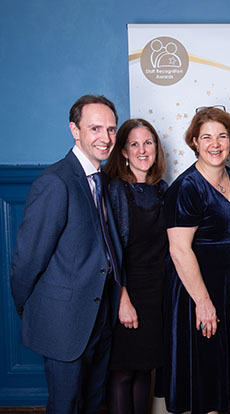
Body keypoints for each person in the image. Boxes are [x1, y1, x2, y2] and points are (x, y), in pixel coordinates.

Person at [10, 95, 122, 413]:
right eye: (95, 128)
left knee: (94, 403)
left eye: (111, 130)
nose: (106, 138)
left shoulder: (101, 181)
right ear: (75, 130)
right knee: (66, 405)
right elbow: (27, 260)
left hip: (100, 317)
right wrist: (30, 307)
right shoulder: (56, 182)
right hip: (64, 323)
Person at [157, 107, 230, 413]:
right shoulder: (186, 187)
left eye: (222, 136)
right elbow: (179, 250)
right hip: (199, 293)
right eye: (207, 137)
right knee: (206, 372)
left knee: (223, 371)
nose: (216, 144)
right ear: (195, 142)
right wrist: (203, 302)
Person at [104, 119, 168, 414]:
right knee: (123, 371)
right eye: (134, 144)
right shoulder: (115, 190)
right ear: (124, 152)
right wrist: (122, 299)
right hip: (127, 292)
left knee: (145, 370)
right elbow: (109, 254)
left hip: (157, 295)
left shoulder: (162, 190)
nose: (143, 150)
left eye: (148, 143)